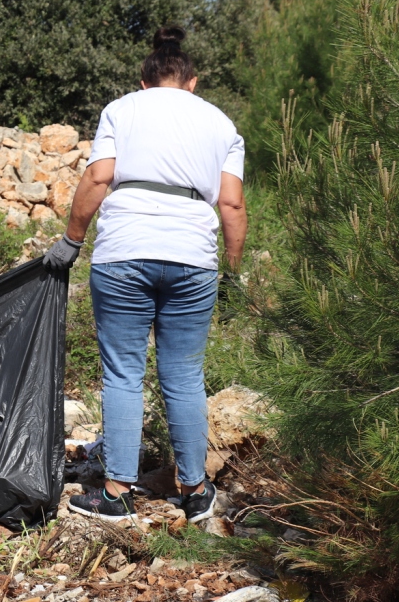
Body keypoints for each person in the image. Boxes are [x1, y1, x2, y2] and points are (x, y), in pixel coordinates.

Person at [44, 26, 248, 524]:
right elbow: (232, 203)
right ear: (193, 82)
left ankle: (116, 492)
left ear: (143, 82)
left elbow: (97, 176)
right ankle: (197, 491)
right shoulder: (222, 124)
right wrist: (234, 274)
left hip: (125, 250)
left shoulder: (122, 109)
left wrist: (70, 241)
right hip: (192, 255)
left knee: (123, 373)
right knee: (183, 375)